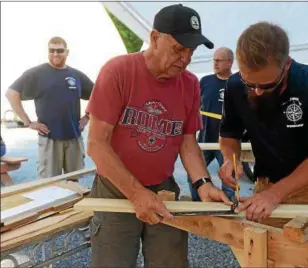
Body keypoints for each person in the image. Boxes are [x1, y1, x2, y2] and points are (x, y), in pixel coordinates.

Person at [85, 4, 232, 268]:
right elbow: (96, 144)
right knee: (112, 262)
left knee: (171, 262)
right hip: (115, 187)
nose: (186, 58)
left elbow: (187, 142)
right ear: (154, 38)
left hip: (163, 187)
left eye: (191, 50)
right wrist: (137, 194)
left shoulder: (189, 84)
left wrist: (203, 183)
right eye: (179, 48)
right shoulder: (118, 71)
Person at [218, 21, 308, 244]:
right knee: (263, 256)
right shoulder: (235, 85)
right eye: (250, 83)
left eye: (267, 85)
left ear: (286, 64)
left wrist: (276, 194)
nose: (256, 91)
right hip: (265, 186)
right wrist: (231, 159)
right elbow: (229, 134)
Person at [5, 37, 93, 178]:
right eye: (51, 51)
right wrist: (28, 122)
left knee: (74, 180)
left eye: (59, 50)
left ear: (67, 52)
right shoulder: (36, 74)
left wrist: (87, 116)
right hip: (50, 138)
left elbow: (99, 95)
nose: (55, 54)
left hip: (74, 137)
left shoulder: (76, 75)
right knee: (49, 183)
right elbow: (11, 93)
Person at [187, 47, 235, 201]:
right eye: (214, 60)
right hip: (205, 139)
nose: (215, 63)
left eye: (219, 60)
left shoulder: (239, 83)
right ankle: (198, 204)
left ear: (230, 62)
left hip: (227, 143)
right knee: (193, 175)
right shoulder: (205, 81)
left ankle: (227, 210)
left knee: (228, 179)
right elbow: (195, 107)